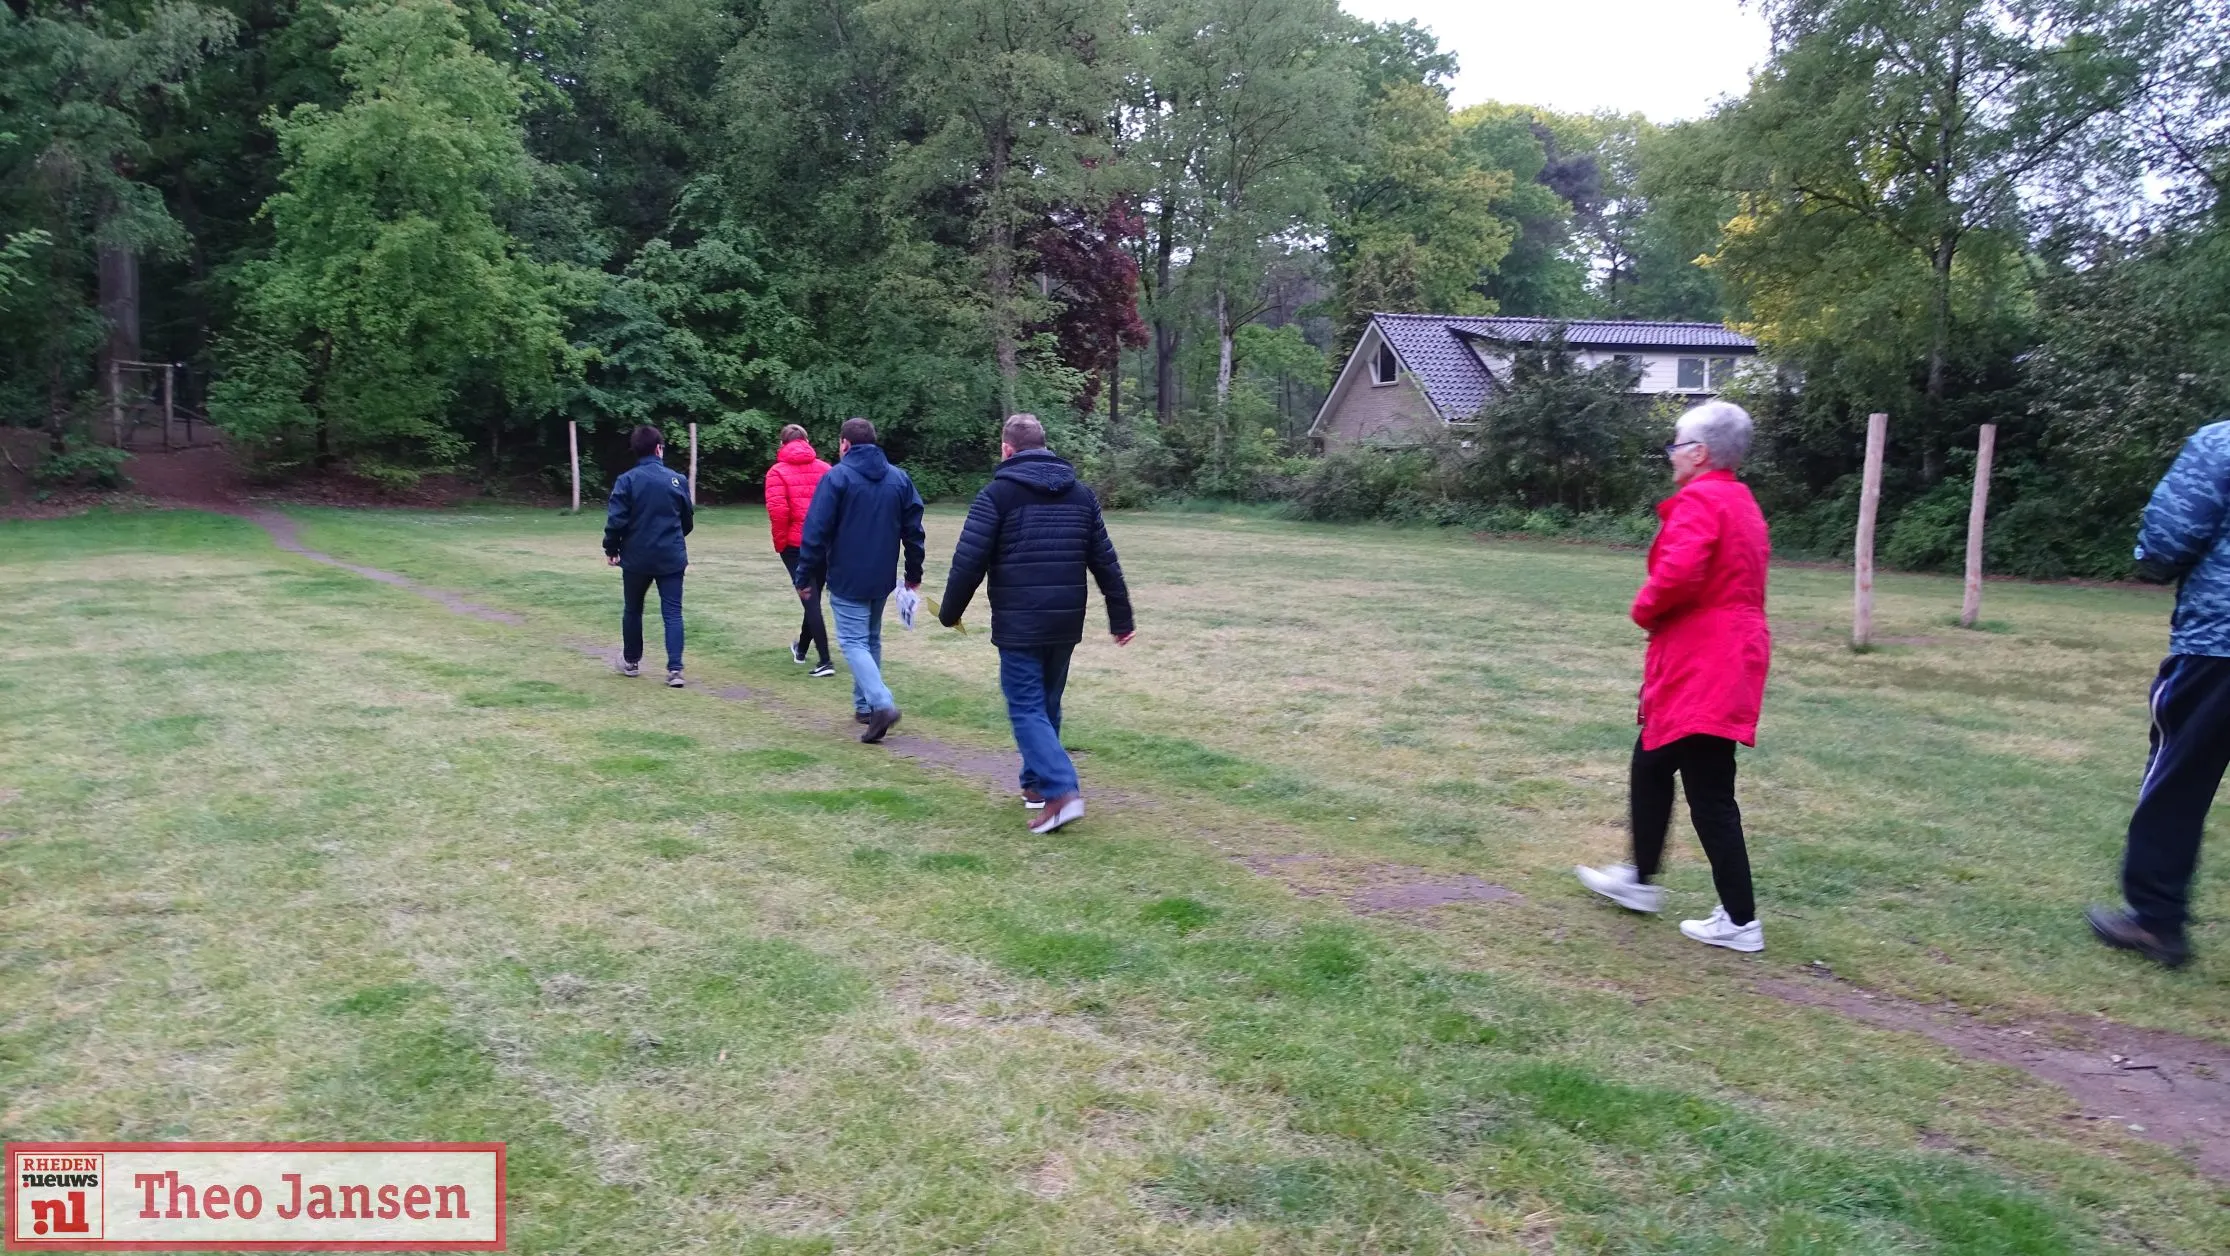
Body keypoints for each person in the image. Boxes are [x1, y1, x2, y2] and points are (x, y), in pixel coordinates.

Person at [1576, 401, 1772, 952]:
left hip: (1703, 659)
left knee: (1706, 788)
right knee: (1657, 763)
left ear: (1699, 453)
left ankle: (1738, 920)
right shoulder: (1741, 502)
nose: (1671, 457)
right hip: (1728, 655)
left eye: (1675, 447)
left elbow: (1679, 572)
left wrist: (1645, 607)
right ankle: (1640, 880)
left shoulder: (1702, 500)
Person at [938, 414, 1134, 834]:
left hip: (1020, 620)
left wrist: (950, 611)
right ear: (1046, 445)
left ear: (1007, 449)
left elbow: (968, 559)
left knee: (1027, 706)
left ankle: (1062, 791)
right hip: (1064, 619)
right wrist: (1122, 617)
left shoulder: (997, 494)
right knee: (1046, 702)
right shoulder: (1081, 495)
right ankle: (1035, 786)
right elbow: (1106, 561)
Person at [2087, 418, 2230, 969]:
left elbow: (2170, 537)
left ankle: (2155, 922)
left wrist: (2152, 562)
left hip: (2218, 646)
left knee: (2178, 779)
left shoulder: (2220, 442)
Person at [792, 417, 926, 744]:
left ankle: (880, 704)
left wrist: (804, 573)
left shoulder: (837, 478)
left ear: (844, 444)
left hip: (847, 575)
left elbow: (815, 530)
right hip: (881, 575)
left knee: (854, 642)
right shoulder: (899, 478)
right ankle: (864, 705)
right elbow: (914, 532)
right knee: (871, 639)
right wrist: (913, 574)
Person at [602, 423, 695, 687]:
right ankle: (675, 669)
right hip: (671, 556)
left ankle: (631, 661)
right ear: (659, 449)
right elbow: (687, 520)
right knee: (673, 612)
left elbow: (616, 520)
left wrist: (612, 548)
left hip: (636, 557)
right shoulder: (677, 480)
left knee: (633, 609)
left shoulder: (627, 481)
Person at [766, 424, 836, 678]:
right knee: (813, 599)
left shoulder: (776, 472)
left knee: (809, 599)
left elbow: (778, 512)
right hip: (825, 544)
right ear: (806, 440)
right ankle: (802, 649)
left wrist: (781, 544)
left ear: (783, 444)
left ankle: (826, 660)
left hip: (796, 546)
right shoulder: (826, 469)